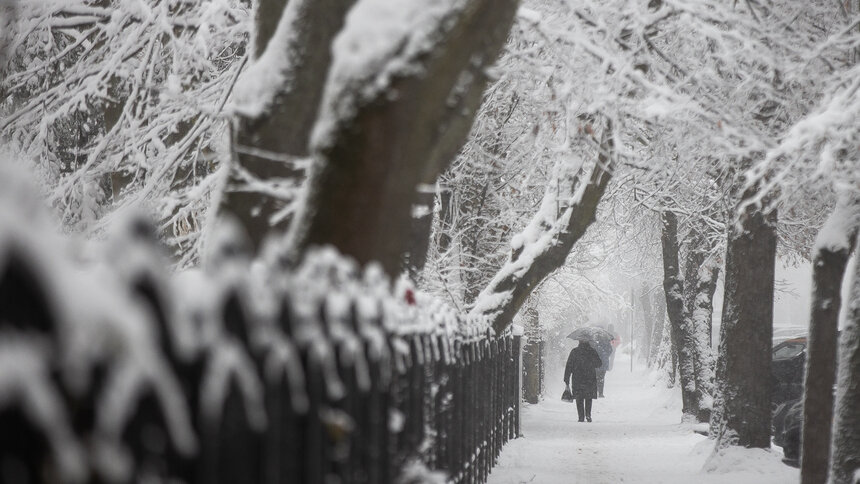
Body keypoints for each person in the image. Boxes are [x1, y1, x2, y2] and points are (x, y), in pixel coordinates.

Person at [563, 339, 603, 422]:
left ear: (579, 342)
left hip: (577, 378)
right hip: (589, 378)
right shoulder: (592, 351)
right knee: (588, 397)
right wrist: (591, 362)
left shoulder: (574, 352)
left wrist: (566, 379)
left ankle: (581, 417)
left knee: (579, 397)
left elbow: (569, 366)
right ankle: (588, 415)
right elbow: (599, 364)